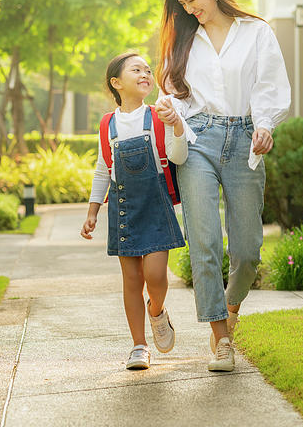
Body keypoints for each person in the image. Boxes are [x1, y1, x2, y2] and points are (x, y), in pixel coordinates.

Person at [155, 0, 291, 372]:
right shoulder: (183, 41)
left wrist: (265, 126)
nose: (190, 9)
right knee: (205, 241)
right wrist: (169, 112)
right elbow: (173, 94)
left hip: (244, 139)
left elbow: (270, 87)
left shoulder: (256, 33)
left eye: (192, 0)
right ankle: (220, 338)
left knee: (248, 249)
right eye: (182, 4)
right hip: (197, 139)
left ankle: (230, 308)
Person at [81, 52, 188, 370]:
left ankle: (156, 311)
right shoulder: (107, 124)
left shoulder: (158, 116)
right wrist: (92, 211)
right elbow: (103, 170)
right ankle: (139, 346)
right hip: (123, 207)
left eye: (147, 69)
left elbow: (178, 157)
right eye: (135, 69)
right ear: (117, 83)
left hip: (156, 205)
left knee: (155, 276)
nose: (145, 73)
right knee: (131, 279)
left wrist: (177, 125)